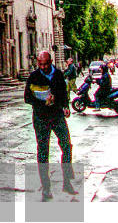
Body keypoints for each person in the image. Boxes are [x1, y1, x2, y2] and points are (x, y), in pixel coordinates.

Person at [24, 50, 76, 200]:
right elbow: (27, 97)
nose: (43, 67)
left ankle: (67, 181)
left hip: (57, 116)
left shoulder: (58, 74)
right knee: (43, 151)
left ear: (51, 62)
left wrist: (65, 106)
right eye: (40, 64)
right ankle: (46, 188)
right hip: (41, 118)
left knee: (66, 145)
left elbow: (64, 94)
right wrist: (42, 101)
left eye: (46, 64)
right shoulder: (34, 76)